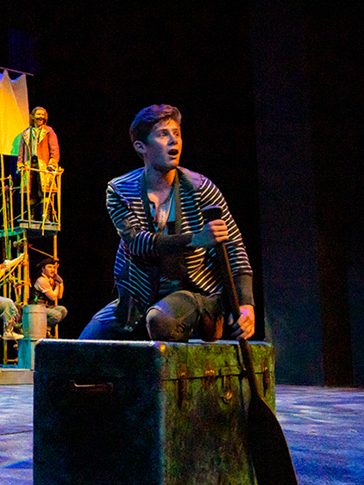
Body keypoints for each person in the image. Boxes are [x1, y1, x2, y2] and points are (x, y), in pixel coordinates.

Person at [79, 104, 255, 342]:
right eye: (163, 134)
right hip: (137, 299)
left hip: (194, 292)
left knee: (160, 320)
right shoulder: (120, 190)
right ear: (141, 147)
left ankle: (208, 320)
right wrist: (195, 239)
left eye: (177, 134)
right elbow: (137, 243)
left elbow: (233, 245)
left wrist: (246, 304)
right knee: (80, 351)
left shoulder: (201, 188)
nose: (174, 140)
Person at [17, 107, 60, 219]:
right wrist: (20, 164)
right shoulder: (26, 133)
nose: (41, 117)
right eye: (38, 114)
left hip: (43, 166)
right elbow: (21, 151)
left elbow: (54, 149)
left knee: (43, 191)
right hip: (29, 165)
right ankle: (30, 217)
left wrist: (52, 164)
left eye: (43, 115)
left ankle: (45, 216)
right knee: (30, 191)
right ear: (33, 117)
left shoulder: (48, 131)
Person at [30, 258, 68, 331]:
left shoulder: (49, 280)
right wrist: (57, 285)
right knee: (56, 315)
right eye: (49, 267)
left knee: (63, 310)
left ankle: (47, 328)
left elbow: (59, 296)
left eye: (53, 267)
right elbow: (53, 297)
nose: (52, 270)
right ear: (43, 269)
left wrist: (61, 283)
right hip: (36, 307)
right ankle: (42, 329)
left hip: (45, 307)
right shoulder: (42, 280)